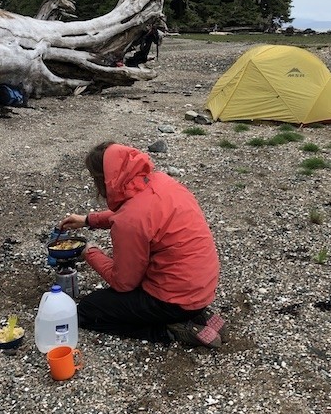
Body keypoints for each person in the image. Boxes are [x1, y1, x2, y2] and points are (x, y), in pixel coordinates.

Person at [59, 141, 227, 348]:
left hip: (174, 299)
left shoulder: (130, 220)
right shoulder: (162, 182)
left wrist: (90, 252)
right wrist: (88, 220)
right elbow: (138, 214)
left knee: (87, 310)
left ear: (104, 180)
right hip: (203, 286)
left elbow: (124, 283)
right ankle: (198, 314)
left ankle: (169, 331)